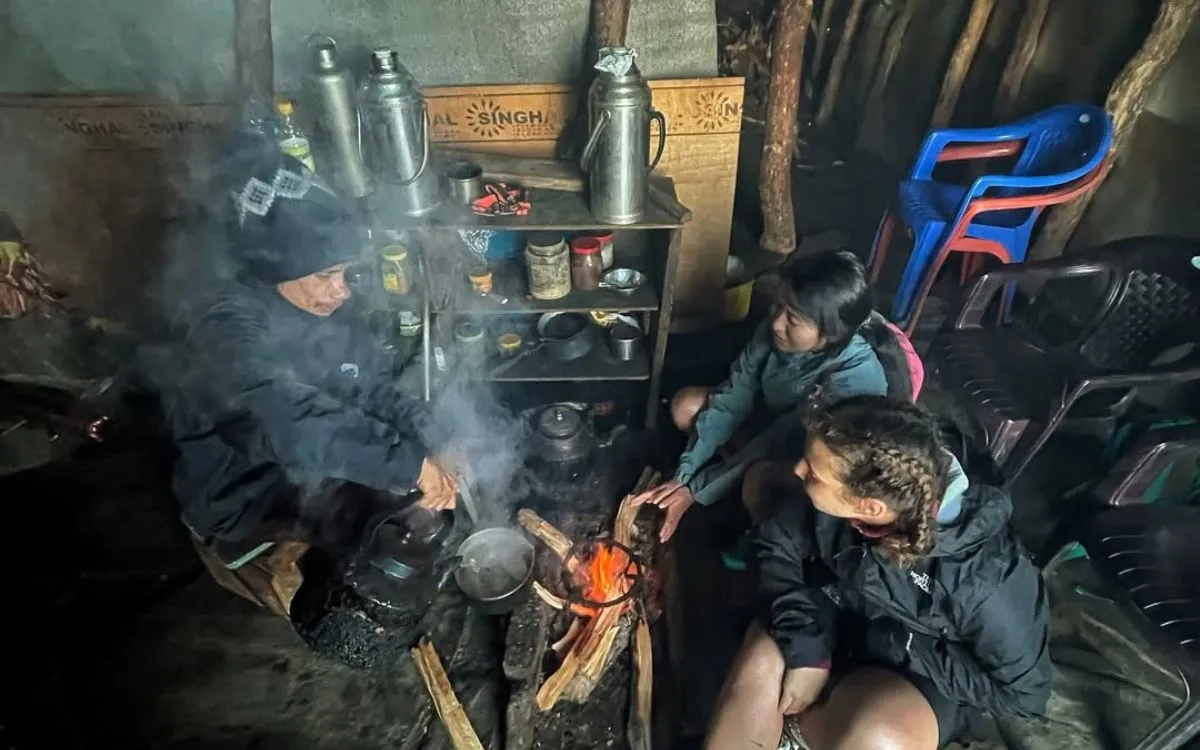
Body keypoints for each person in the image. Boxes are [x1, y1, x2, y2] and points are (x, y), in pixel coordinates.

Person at [163, 134, 456, 553]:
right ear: (277, 266)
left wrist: (436, 437)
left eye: (345, 273)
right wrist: (407, 465)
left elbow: (371, 387)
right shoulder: (224, 325)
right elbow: (280, 417)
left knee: (411, 505)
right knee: (382, 543)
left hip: (310, 475)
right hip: (246, 502)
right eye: (325, 276)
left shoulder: (327, 309)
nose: (341, 291)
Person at [705, 395, 1051, 750]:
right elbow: (777, 542)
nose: (798, 471)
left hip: (922, 664)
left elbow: (1024, 695)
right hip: (837, 600)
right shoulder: (850, 484)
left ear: (870, 507)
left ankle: (802, 732)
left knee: (877, 736)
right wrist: (806, 650)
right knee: (761, 669)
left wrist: (906, 643)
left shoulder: (987, 584)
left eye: (813, 473)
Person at [633, 250, 894, 542]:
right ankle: (726, 478)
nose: (777, 323)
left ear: (830, 334)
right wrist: (684, 474)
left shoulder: (851, 381)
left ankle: (753, 531)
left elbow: (776, 440)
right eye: (778, 305)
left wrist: (696, 491)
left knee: (760, 482)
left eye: (793, 319)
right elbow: (734, 396)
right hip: (767, 418)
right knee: (685, 406)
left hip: (809, 458)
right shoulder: (775, 330)